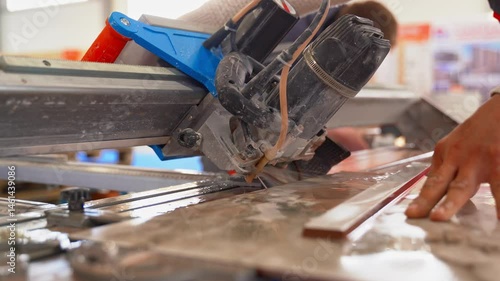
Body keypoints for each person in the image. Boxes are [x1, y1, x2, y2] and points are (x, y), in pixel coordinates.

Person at [183, 0, 500, 221]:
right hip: (228, 132)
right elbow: (253, 94)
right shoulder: (293, 33)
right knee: (229, 207)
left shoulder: (338, 44)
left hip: (273, 148)